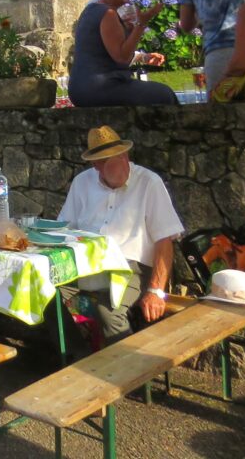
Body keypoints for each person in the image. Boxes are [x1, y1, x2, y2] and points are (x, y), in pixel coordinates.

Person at [57, 126, 183, 343]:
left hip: (132, 267)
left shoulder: (149, 183)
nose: (120, 169)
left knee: (109, 311)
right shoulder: (82, 183)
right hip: (89, 263)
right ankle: (77, 359)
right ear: (95, 165)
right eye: (107, 162)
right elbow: (64, 228)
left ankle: (128, 372)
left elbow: (165, 239)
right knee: (49, 294)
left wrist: (155, 291)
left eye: (120, 158)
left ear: (126, 155)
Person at [68, 0, 176, 107]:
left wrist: (134, 39)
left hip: (84, 88)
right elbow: (121, 57)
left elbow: (110, 52)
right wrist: (141, 24)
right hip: (99, 88)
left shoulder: (91, 10)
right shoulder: (108, 14)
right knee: (164, 94)